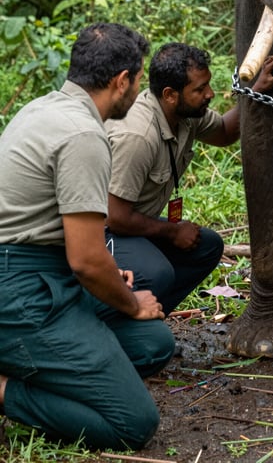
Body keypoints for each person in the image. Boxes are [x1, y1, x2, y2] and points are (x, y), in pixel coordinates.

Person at [0, 23, 175, 450]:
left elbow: (67, 242)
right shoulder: (83, 135)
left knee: (152, 344)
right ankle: (6, 388)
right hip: (20, 289)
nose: (138, 92)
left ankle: (38, 361)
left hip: (40, 271)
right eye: (138, 81)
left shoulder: (42, 108)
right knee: (133, 423)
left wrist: (112, 279)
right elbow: (85, 260)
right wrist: (129, 301)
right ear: (122, 82)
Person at [105, 43, 273, 316]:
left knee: (207, 246)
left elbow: (223, 132)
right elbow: (114, 217)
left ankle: (146, 317)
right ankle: (114, 318)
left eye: (207, 85)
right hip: (99, 233)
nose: (210, 94)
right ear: (170, 95)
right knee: (158, 271)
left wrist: (254, 91)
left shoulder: (183, 114)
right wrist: (173, 231)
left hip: (130, 224)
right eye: (200, 90)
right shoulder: (138, 137)